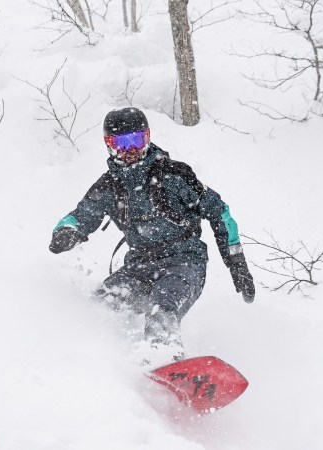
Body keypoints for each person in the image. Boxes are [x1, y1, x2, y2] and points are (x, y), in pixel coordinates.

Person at [49, 107, 255, 365]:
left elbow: (220, 213)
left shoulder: (175, 175)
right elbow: (81, 215)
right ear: (109, 146)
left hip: (184, 262)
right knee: (102, 305)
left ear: (147, 138)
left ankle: (165, 361)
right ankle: (91, 363)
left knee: (163, 308)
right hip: (139, 267)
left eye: (136, 140)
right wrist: (66, 231)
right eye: (121, 143)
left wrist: (236, 263)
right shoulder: (109, 186)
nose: (130, 149)